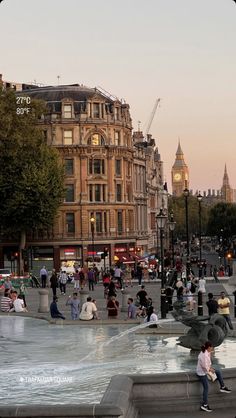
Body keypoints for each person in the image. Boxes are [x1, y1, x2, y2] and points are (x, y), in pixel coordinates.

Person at [196, 341, 231, 412]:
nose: (212, 348)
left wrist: (210, 368)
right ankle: (204, 405)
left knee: (218, 371)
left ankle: (222, 387)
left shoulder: (206, 352)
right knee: (206, 388)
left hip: (205, 371)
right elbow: (204, 366)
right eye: (211, 347)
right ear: (209, 347)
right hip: (202, 373)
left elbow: (207, 363)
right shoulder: (204, 355)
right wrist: (210, 369)